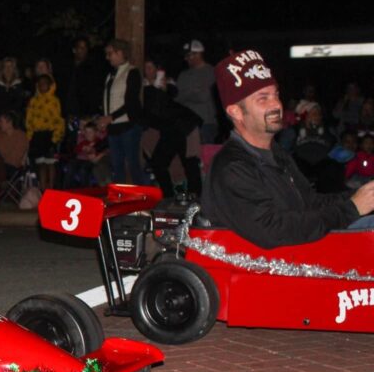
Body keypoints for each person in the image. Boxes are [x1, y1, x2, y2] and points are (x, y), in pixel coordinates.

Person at [201, 49, 374, 249]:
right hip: (269, 271)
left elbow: (310, 203)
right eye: (262, 98)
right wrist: (351, 209)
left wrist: (361, 195)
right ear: (236, 111)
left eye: (276, 94)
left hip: (301, 256)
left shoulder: (276, 153)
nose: (276, 104)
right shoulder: (231, 167)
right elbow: (275, 231)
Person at [141, 59, 203, 197]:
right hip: (169, 129)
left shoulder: (165, 83)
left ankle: (196, 197)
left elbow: (172, 93)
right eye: (145, 68)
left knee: (189, 162)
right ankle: (168, 196)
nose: (147, 71)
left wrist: (162, 87)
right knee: (158, 163)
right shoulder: (142, 88)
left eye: (150, 67)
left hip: (184, 125)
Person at [99, 38, 148, 185]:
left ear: (120, 53)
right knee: (117, 165)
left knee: (133, 163)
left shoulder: (131, 72)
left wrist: (110, 117)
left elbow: (131, 102)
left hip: (128, 126)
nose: (108, 57)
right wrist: (104, 118)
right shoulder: (110, 75)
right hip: (113, 127)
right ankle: (120, 199)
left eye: (110, 53)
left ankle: (143, 198)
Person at [24, 73, 64, 190]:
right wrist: (30, 135)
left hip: (50, 135)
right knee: (40, 163)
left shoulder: (54, 101)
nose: (42, 87)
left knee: (50, 163)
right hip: (38, 136)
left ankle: (51, 187)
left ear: (50, 85)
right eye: (40, 84)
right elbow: (29, 119)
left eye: (45, 84)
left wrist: (56, 137)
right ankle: (43, 189)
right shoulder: (33, 101)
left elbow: (59, 120)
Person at [175, 39, 218, 144]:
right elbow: (177, 98)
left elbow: (204, 96)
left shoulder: (211, 72)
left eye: (189, 55)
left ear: (198, 54)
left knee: (205, 155)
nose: (186, 59)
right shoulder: (183, 75)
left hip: (206, 123)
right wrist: (193, 92)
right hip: (186, 124)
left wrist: (186, 94)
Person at [0, 111, 28, 211]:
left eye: (2, 121)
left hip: (13, 167)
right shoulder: (0, 136)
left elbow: (15, 158)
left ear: (10, 122)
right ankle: (2, 182)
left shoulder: (20, 136)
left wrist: (1, 155)